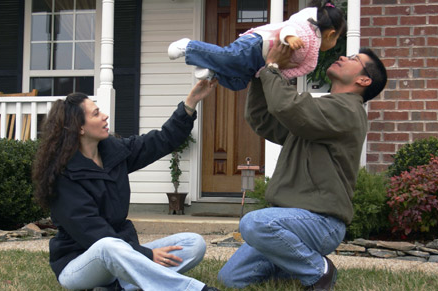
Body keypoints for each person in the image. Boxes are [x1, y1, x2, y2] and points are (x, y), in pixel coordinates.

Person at [217, 43, 387, 290]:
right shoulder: (320, 113)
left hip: (320, 223)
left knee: (255, 223)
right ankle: (292, 265)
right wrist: (258, 76)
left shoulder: (348, 111)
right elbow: (263, 120)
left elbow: (287, 107)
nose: (342, 56)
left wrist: (272, 69)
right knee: (230, 279)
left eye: (352, 58)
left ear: (363, 79)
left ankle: (319, 271)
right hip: (290, 222)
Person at [32, 79, 220, 291]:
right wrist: (146, 255)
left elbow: (161, 140)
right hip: (80, 265)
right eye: (95, 114)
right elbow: (93, 233)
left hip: (124, 252)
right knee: (107, 246)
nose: (104, 116)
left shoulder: (114, 152)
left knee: (193, 243)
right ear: (79, 128)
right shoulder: (63, 175)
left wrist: (190, 103)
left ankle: (122, 284)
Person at [167, 0, 346, 91]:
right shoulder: (305, 30)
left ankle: (212, 71)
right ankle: (189, 46)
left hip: (261, 62)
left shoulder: (312, 59)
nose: (335, 42)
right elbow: (289, 27)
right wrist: (290, 38)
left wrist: (271, 70)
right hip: (258, 44)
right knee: (232, 56)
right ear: (331, 34)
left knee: (239, 83)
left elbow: (294, 71)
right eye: (337, 38)